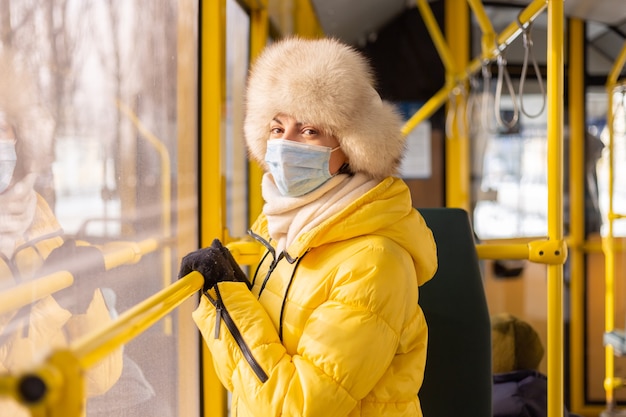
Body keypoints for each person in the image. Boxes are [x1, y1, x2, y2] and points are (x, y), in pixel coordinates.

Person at [179, 37, 438, 417]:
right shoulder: (283, 231)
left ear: (350, 147)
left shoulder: (374, 263)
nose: (286, 145)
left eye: (310, 130)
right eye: (277, 128)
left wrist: (228, 305)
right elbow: (247, 383)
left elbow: (301, 405)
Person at [0, 51, 123, 416]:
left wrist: (85, 297)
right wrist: (54, 306)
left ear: (17, 136)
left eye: (1, 126)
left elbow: (101, 377)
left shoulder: (38, 219)